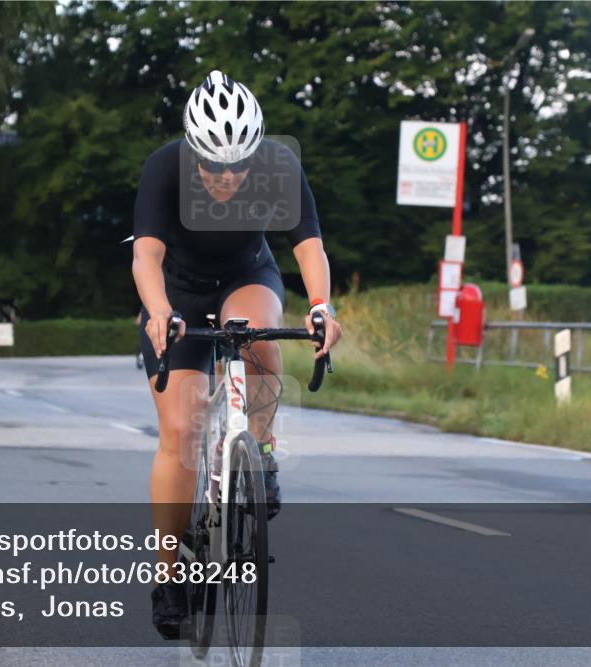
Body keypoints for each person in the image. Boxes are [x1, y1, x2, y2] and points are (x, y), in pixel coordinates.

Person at [132, 70, 343, 638]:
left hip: (246, 273)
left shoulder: (278, 166)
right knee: (179, 434)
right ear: (192, 151)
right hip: (176, 290)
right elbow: (145, 257)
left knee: (258, 336)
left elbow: (309, 246)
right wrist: (157, 311)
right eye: (213, 167)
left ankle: (262, 450)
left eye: (237, 167)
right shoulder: (164, 167)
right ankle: (169, 575)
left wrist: (321, 306)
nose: (226, 178)